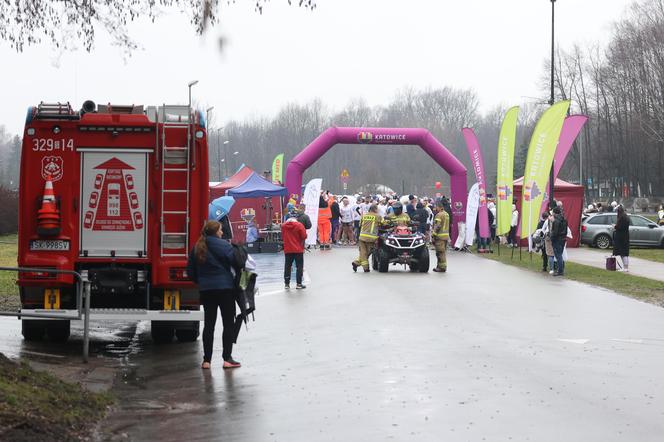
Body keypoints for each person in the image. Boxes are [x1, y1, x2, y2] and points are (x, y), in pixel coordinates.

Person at [187, 221, 240, 370]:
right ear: (215, 232)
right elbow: (236, 264)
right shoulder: (225, 246)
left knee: (209, 325)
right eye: (221, 230)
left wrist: (201, 281)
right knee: (228, 324)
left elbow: (190, 271)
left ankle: (207, 361)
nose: (222, 233)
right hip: (225, 290)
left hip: (206, 290)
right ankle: (227, 359)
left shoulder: (197, 247)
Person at [352, 204, 382, 272]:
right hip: (371, 238)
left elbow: (360, 224)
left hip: (362, 237)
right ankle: (366, 268)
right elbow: (384, 223)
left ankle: (356, 263)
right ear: (374, 209)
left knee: (363, 252)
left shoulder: (364, 216)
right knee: (367, 253)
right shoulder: (378, 216)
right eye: (377, 209)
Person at [282, 211, 308, 289]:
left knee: (287, 266)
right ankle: (299, 284)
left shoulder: (283, 226)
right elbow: (304, 236)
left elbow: (283, 236)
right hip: (298, 249)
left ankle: (287, 284)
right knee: (299, 266)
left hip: (288, 249)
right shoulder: (299, 225)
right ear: (296, 218)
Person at [432, 199, 450, 272]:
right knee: (443, 252)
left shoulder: (439, 215)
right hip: (446, 236)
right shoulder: (446, 214)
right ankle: (440, 266)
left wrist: (433, 235)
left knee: (440, 253)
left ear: (439, 207)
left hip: (440, 237)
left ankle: (442, 267)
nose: (436, 208)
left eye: (436, 207)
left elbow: (437, 226)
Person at [550, 206, 568, 276]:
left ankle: (560, 271)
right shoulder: (564, 219)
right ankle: (560, 270)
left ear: (554, 213)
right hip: (563, 239)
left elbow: (555, 232)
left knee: (558, 256)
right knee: (560, 255)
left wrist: (552, 238)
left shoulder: (556, 221)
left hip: (557, 239)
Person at [613, 205, 630, 272]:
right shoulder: (626, 217)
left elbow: (620, 227)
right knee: (624, 253)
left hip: (621, 237)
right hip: (625, 236)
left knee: (623, 253)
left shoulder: (622, 218)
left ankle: (625, 268)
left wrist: (615, 226)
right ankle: (625, 267)